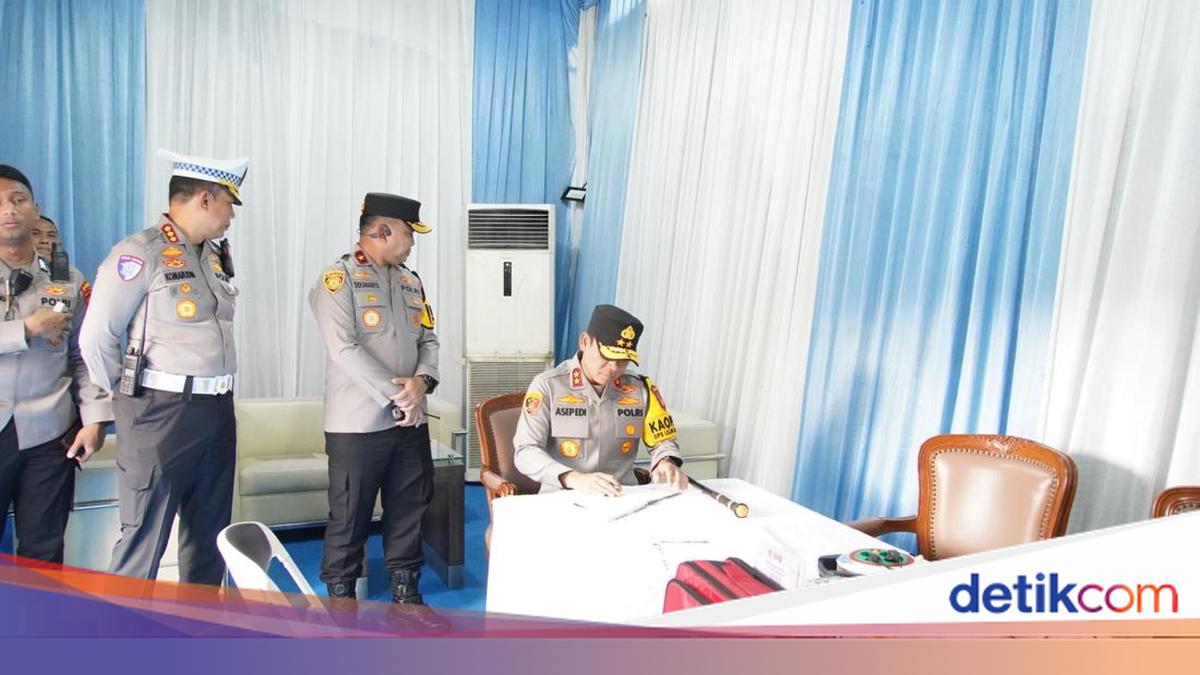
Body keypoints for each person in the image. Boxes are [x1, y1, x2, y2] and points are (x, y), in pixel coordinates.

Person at [78, 150, 247, 584]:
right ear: (205, 198)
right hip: (160, 411)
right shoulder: (140, 253)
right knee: (144, 539)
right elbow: (95, 338)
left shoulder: (212, 256)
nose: (232, 215)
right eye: (229, 203)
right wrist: (127, 397)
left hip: (216, 410)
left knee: (210, 535)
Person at [308, 193, 444, 624]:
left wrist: (421, 383)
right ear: (382, 231)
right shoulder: (338, 280)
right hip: (357, 424)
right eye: (408, 233)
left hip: (410, 422)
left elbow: (429, 340)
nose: (412, 243)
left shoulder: (410, 282)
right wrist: (400, 395)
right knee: (349, 517)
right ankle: (341, 609)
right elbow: (343, 348)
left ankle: (407, 601)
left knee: (409, 510)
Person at [0, 164, 110, 563]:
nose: (9, 210)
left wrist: (95, 419)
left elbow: (84, 355)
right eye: (0, 203)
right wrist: (26, 328)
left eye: (18, 200)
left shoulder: (66, 279)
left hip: (49, 432)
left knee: (44, 551)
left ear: (35, 208)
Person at [513, 304, 688, 495]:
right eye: (606, 356)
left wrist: (665, 460)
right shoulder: (547, 385)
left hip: (622, 497)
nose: (613, 367)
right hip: (563, 497)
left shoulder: (641, 389)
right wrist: (572, 478)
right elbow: (526, 451)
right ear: (584, 342)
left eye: (622, 360)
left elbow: (663, 441)